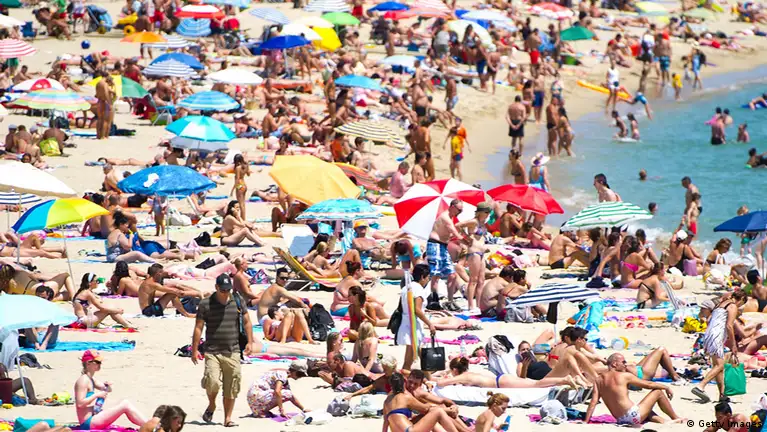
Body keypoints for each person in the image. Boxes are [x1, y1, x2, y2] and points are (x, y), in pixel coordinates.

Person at [191, 274, 257, 427]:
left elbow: (247, 322)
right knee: (212, 382)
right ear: (216, 287)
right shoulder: (206, 304)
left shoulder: (238, 301)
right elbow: (198, 327)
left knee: (232, 385)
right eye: (223, 290)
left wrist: (250, 342)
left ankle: (227, 418)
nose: (226, 293)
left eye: (228, 290)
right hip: (212, 351)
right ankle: (212, 404)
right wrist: (194, 349)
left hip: (233, 350)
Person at [585, 353, 683, 426]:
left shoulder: (598, 380)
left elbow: (593, 402)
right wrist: (666, 387)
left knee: (646, 409)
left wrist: (586, 421)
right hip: (633, 416)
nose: (625, 364)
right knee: (658, 392)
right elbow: (648, 384)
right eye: (623, 362)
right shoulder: (624, 376)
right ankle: (675, 417)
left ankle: (664, 421)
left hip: (620, 420)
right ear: (614, 364)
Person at [691, 290, 748, 403]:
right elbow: (729, 326)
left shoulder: (720, 305)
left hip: (709, 335)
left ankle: (722, 394)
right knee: (720, 365)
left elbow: (709, 320)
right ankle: (700, 386)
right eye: (742, 304)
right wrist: (733, 345)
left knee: (718, 366)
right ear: (741, 299)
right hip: (716, 336)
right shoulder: (732, 306)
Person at [74, 350, 146, 430]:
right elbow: (80, 404)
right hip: (88, 422)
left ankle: (148, 425)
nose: (100, 364)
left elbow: (106, 389)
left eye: (100, 362)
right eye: (97, 362)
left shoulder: (91, 379)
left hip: (93, 416)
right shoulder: (83, 380)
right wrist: (96, 395)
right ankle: (149, 425)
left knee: (123, 402)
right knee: (125, 405)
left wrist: (107, 386)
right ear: (88, 363)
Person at [427, 199, 470, 309]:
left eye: (461, 210)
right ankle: (434, 299)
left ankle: (450, 301)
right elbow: (455, 233)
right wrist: (469, 244)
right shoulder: (445, 217)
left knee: (452, 275)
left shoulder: (451, 217)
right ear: (452, 207)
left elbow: (450, 234)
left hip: (443, 246)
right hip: (435, 245)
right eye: (459, 210)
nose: (460, 212)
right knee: (436, 274)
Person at [382, 373, 460, 432]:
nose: (412, 385)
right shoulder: (405, 397)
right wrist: (448, 410)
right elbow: (425, 409)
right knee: (438, 411)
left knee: (423, 417)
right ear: (404, 382)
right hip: (409, 430)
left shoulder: (387, 401)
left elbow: (385, 423)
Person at [436, 357, 576, 389]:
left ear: (455, 370)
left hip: (502, 382)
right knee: (535, 383)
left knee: (536, 384)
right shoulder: (469, 373)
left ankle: (565, 379)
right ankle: (567, 380)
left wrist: (445, 375)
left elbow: (441, 383)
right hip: (502, 379)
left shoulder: (463, 377)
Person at [397, 263, 436, 370]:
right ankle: (429, 374)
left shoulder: (406, 287)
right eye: (428, 277)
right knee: (417, 353)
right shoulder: (418, 289)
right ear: (423, 276)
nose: (428, 280)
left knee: (409, 359)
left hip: (406, 323)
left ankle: (423, 372)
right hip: (414, 325)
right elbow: (417, 310)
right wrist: (430, 324)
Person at [455, 202, 491, 313]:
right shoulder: (474, 222)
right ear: (480, 212)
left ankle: (478, 305)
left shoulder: (483, 223)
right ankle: (471, 305)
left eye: (489, 212)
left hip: (482, 252)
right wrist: (466, 238)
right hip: (474, 252)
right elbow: (457, 225)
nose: (488, 214)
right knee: (473, 280)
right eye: (486, 212)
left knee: (481, 280)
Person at [231, 154, 250, 220]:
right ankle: (243, 218)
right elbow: (248, 174)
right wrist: (248, 166)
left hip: (239, 185)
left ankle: (243, 219)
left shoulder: (238, 168)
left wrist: (232, 190)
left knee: (241, 204)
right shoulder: (246, 166)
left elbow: (237, 179)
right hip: (244, 185)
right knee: (243, 204)